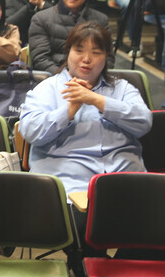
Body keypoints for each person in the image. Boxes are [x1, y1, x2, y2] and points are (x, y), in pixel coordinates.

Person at [20, 22, 152, 193]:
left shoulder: (122, 88)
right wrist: (69, 111)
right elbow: (31, 132)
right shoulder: (47, 88)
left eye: (96, 53)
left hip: (127, 179)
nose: (87, 59)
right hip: (69, 184)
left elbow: (144, 122)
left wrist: (98, 101)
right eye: (79, 51)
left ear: (106, 57)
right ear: (68, 52)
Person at [28, 0, 111, 75]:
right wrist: (67, 79)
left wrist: (90, 78)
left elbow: (108, 58)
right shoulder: (41, 19)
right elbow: (40, 59)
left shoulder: (101, 20)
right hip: (54, 79)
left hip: (91, 79)